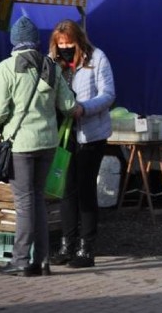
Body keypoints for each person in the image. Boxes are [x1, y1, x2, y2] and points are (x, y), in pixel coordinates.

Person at [0, 16, 78, 276]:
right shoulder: (51, 66)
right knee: (38, 199)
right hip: (48, 143)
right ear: (36, 42)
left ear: (15, 41)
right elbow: (69, 106)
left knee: (25, 203)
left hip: (21, 145)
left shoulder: (6, 68)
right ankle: (42, 260)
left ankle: (20, 260)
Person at [48, 19, 116, 269]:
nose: (65, 47)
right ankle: (66, 245)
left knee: (86, 190)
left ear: (79, 41)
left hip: (91, 135)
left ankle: (86, 248)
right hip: (64, 136)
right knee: (67, 191)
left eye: (69, 43)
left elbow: (108, 94)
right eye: (61, 44)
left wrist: (84, 109)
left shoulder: (97, 58)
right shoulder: (53, 60)